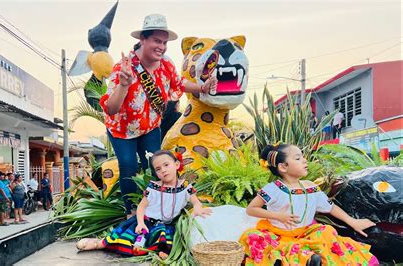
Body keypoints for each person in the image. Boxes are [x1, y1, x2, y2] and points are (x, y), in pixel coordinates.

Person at [99, 13, 218, 217]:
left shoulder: (166, 65)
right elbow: (111, 108)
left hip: (149, 127)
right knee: (128, 165)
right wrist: (124, 85)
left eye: (164, 43)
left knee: (156, 165)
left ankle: (158, 205)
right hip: (122, 130)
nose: (161, 47)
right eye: (156, 41)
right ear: (142, 39)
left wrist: (202, 87)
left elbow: (180, 84)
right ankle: (130, 211)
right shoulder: (124, 68)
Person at [239, 143, 378, 265]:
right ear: (283, 167)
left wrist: (352, 221)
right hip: (278, 234)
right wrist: (277, 216)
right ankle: (287, 260)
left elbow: (330, 207)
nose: (305, 161)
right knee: (252, 236)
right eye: (298, 158)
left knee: (326, 232)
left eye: (303, 157)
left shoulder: (310, 187)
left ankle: (307, 259)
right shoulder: (273, 188)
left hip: (305, 233)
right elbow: (251, 209)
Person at [76, 150, 212, 258]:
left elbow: (195, 200)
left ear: (176, 165)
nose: (163, 170)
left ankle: (162, 251)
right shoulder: (154, 188)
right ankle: (100, 243)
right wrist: (140, 223)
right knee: (125, 238)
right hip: (146, 221)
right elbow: (141, 207)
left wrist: (197, 208)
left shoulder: (185, 187)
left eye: (166, 165)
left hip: (166, 224)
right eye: (158, 169)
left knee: (164, 237)